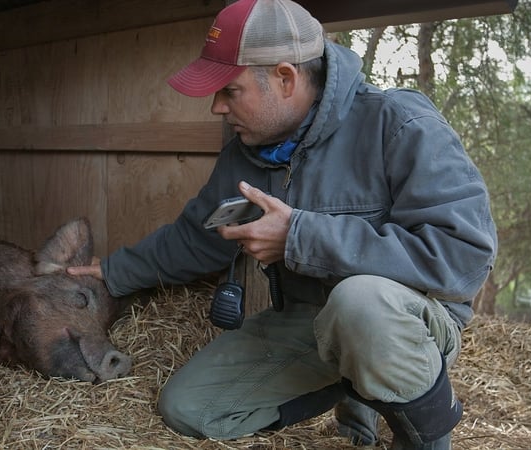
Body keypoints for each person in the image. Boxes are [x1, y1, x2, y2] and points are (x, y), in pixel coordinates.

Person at [68, 0, 498, 448]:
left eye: (230, 91)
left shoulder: (399, 123)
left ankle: (423, 434)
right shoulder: (246, 150)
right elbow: (197, 238)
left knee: (360, 304)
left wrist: (298, 236)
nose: (216, 107)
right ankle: (358, 386)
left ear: (285, 78)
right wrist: (112, 272)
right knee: (187, 408)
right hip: (310, 321)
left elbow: (463, 258)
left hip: (410, 324)